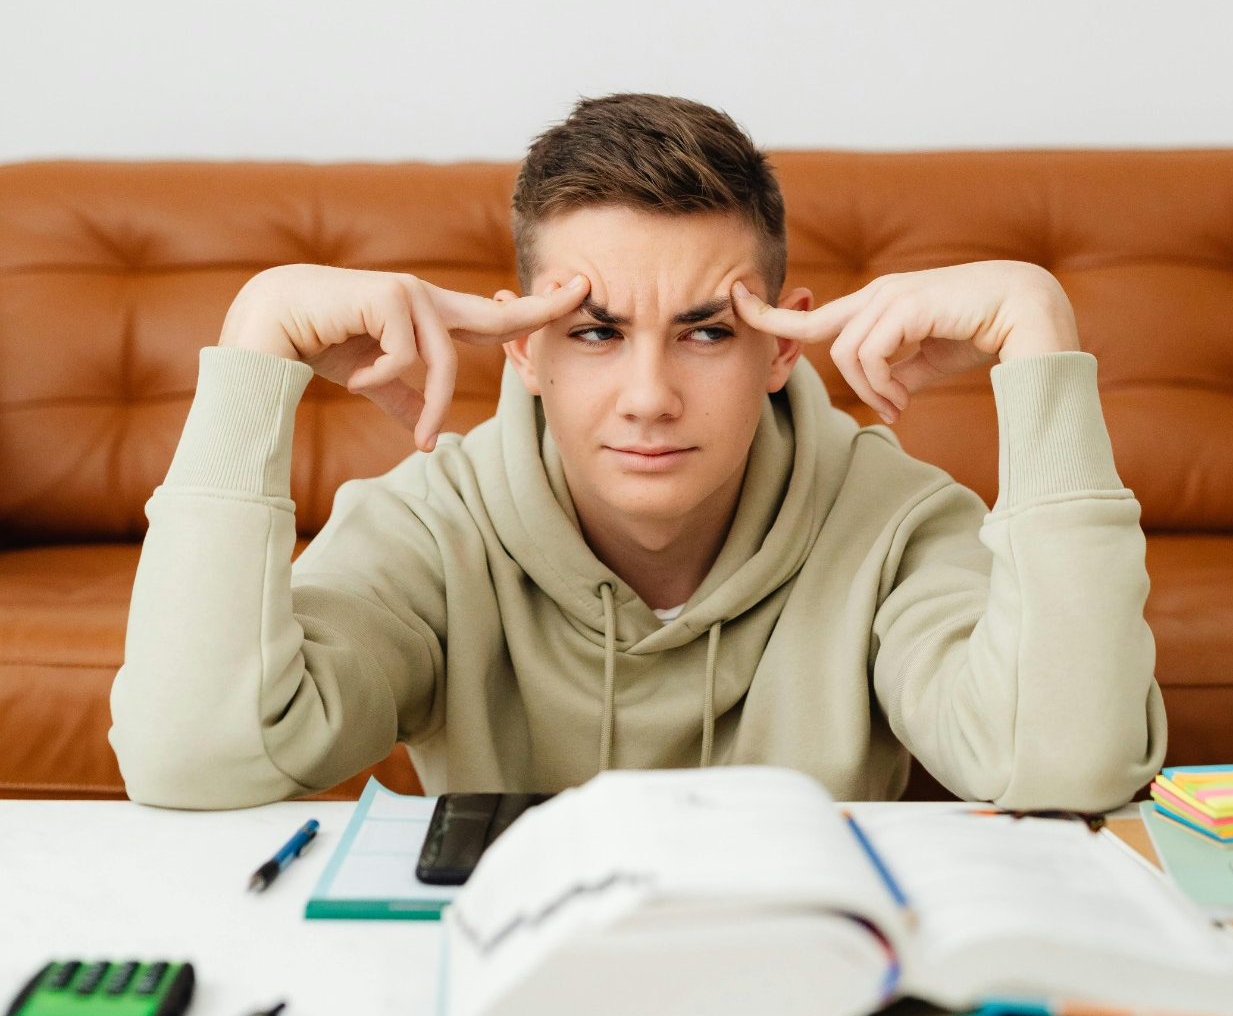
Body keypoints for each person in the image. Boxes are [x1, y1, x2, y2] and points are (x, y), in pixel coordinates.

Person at [108, 93, 1167, 811]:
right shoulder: (430, 524)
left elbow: (1064, 769)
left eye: (706, 331)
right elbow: (193, 758)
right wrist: (255, 344)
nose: (650, 397)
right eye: (595, 331)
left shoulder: (892, 519)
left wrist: (1037, 329)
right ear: (522, 347)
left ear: (776, 345)